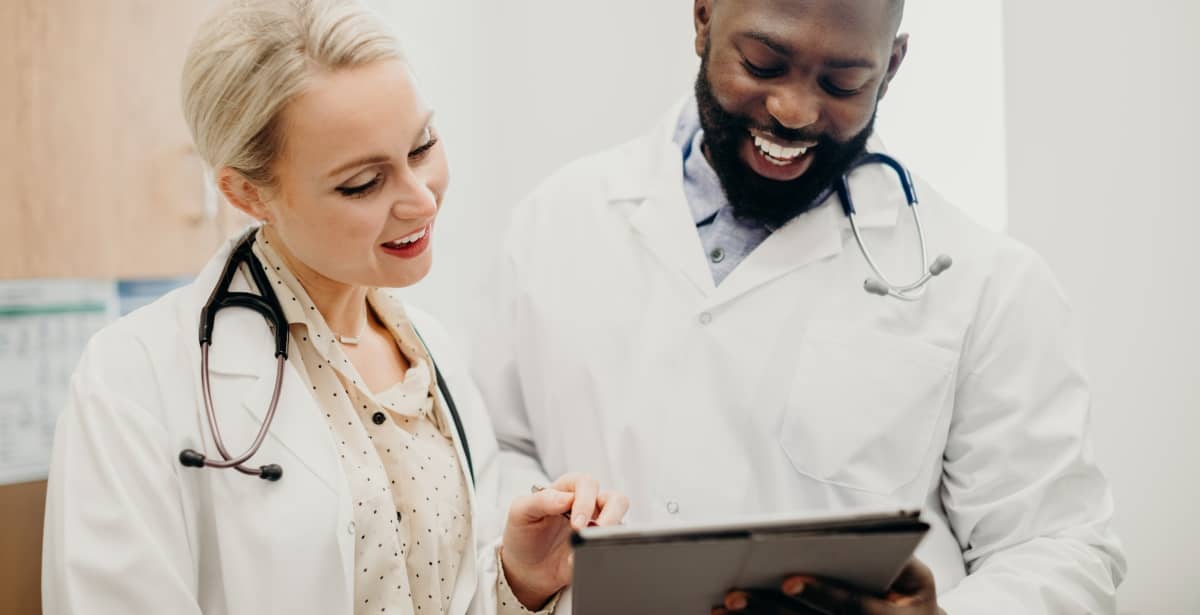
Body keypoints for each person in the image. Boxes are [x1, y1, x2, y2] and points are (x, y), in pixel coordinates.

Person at [470, 0, 1126, 613]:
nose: (793, 110)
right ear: (702, 18)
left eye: (842, 83)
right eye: (762, 64)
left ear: (891, 66)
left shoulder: (988, 282)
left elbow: (1062, 546)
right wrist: (531, 562)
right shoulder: (556, 222)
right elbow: (495, 452)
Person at [40, 1, 626, 613]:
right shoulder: (135, 380)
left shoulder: (433, 356)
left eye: (422, 147)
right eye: (363, 184)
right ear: (247, 192)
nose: (421, 202)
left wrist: (518, 579)